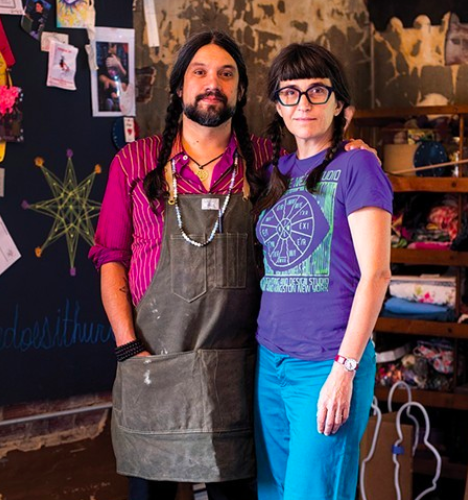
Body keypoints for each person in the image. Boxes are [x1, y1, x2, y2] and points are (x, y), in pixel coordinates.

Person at [90, 31, 376, 500]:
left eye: (226, 74)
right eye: (199, 72)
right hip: (154, 364)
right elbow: (111, 258)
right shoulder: (134, 163)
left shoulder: (269, 162)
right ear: (179, 86)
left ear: (241, 91)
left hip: (238, 373)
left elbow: (321, 167)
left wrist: (349, 149)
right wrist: (128, 348)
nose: (212, 83)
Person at [253, 43, 393, 500]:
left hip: (326, 363)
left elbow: (376, 275)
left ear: (340, 105)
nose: (303, 103)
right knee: (274, 492)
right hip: (270, 362)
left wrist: (344, 369)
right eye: (290, 92)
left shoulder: (358, 165)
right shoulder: (275, 173)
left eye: (317, 90)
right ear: (278, 106)